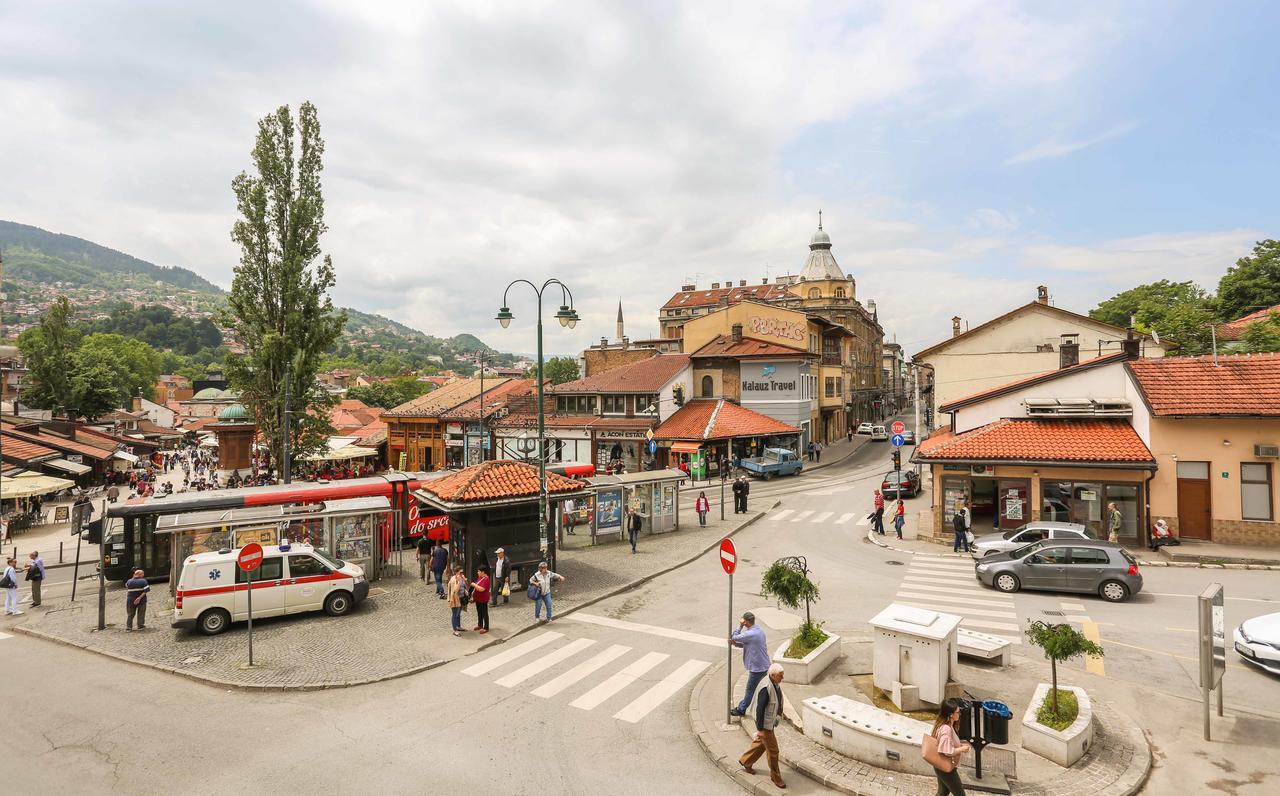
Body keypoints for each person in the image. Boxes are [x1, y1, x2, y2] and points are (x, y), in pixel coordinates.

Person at [738, 663, 786, 789]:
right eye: (780, 676)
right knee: (773, 751)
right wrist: (760, 729)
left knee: (761, 743)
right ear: (773, 675)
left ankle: (746, 761)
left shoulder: (774, 682)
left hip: (768, 722)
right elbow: (760, 709)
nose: (782, 678)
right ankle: (776, 777)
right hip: (764, 723)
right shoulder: (766, 687)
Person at [925, 698, 971, 795]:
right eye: (958, 712)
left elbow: (947, 744)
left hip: (940, 766)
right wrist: (962, 749)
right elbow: (947, 751)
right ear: (951, 714)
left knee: (943, 792)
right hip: (946, 768)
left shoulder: (944, 725)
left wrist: (959, 745)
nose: (960, 714)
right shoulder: (946, 729)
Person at [728, 611, 770, 718]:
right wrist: (736, 644)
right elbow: (747, 644)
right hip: (763, 665)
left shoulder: (750, 633)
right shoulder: (758, 630)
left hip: (758, 668)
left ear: (746, 622)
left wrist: (740, 626)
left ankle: (741, 709)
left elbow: (734, 636)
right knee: (760, 688)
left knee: (750, 689)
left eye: (743, 621)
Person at [471, 564, 491, 634]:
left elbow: (482, 589)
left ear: (483, 572)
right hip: (478, 599)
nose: (478, 572)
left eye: (479, 571)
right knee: (479, 612)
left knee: (484, 613)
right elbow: (478, 584)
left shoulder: (486, 579)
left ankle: (486, 627)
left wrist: (474, 585)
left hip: (483, 599)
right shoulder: (480, 577)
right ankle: (480, 625)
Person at [447, 565, 466, 636]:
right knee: (455, 614)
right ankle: (455, 630)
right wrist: (460, 581)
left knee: (458, 614)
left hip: (460, 598)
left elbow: (464, 586)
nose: (462, 574)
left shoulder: (460, 578)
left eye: (462, 572)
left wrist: (465, 589)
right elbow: (455, 590)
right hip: (454, 599)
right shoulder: (454, 580)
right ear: (456, 572)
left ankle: (458, 626)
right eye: (460, 572)